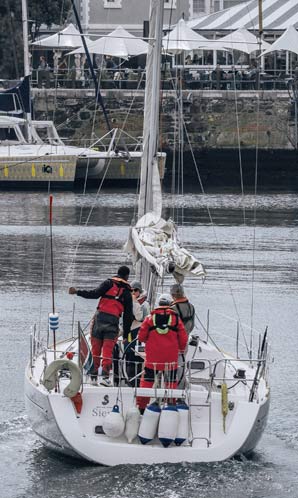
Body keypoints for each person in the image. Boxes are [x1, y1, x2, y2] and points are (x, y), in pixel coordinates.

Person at [69, 265, 133, 386]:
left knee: (96, 350)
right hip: (112, 323)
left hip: (99, 320)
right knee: (107, 351)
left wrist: (77, 292)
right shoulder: (127, 293)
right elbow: (128, 316)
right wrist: (126, 333)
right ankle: (104, 377)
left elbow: (94, 294)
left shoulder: (108, 283)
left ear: (117, 274)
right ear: (127, 277)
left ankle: (93, 378)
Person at [136, 294, 188, 412]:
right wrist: (180, 349)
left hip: (152, 359)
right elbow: (183, 339)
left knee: (147, 383)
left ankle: (141, 407)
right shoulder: (176, 319)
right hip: (170, 359)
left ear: (158, 304)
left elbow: (141, 337)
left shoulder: (149, 318)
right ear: (170, 304)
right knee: (170, 383)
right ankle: (170, 406)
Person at [124, 280, 150, 386]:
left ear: (139, 291)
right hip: (129, 332)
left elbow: (143, 319)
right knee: (128, 356)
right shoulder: (127, 302)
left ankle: (136, 382)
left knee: (137, 357)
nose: (133, 292)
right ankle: (129, 380)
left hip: (139, 333)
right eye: (131, 290)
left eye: (135, 290)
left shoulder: (144, 305)